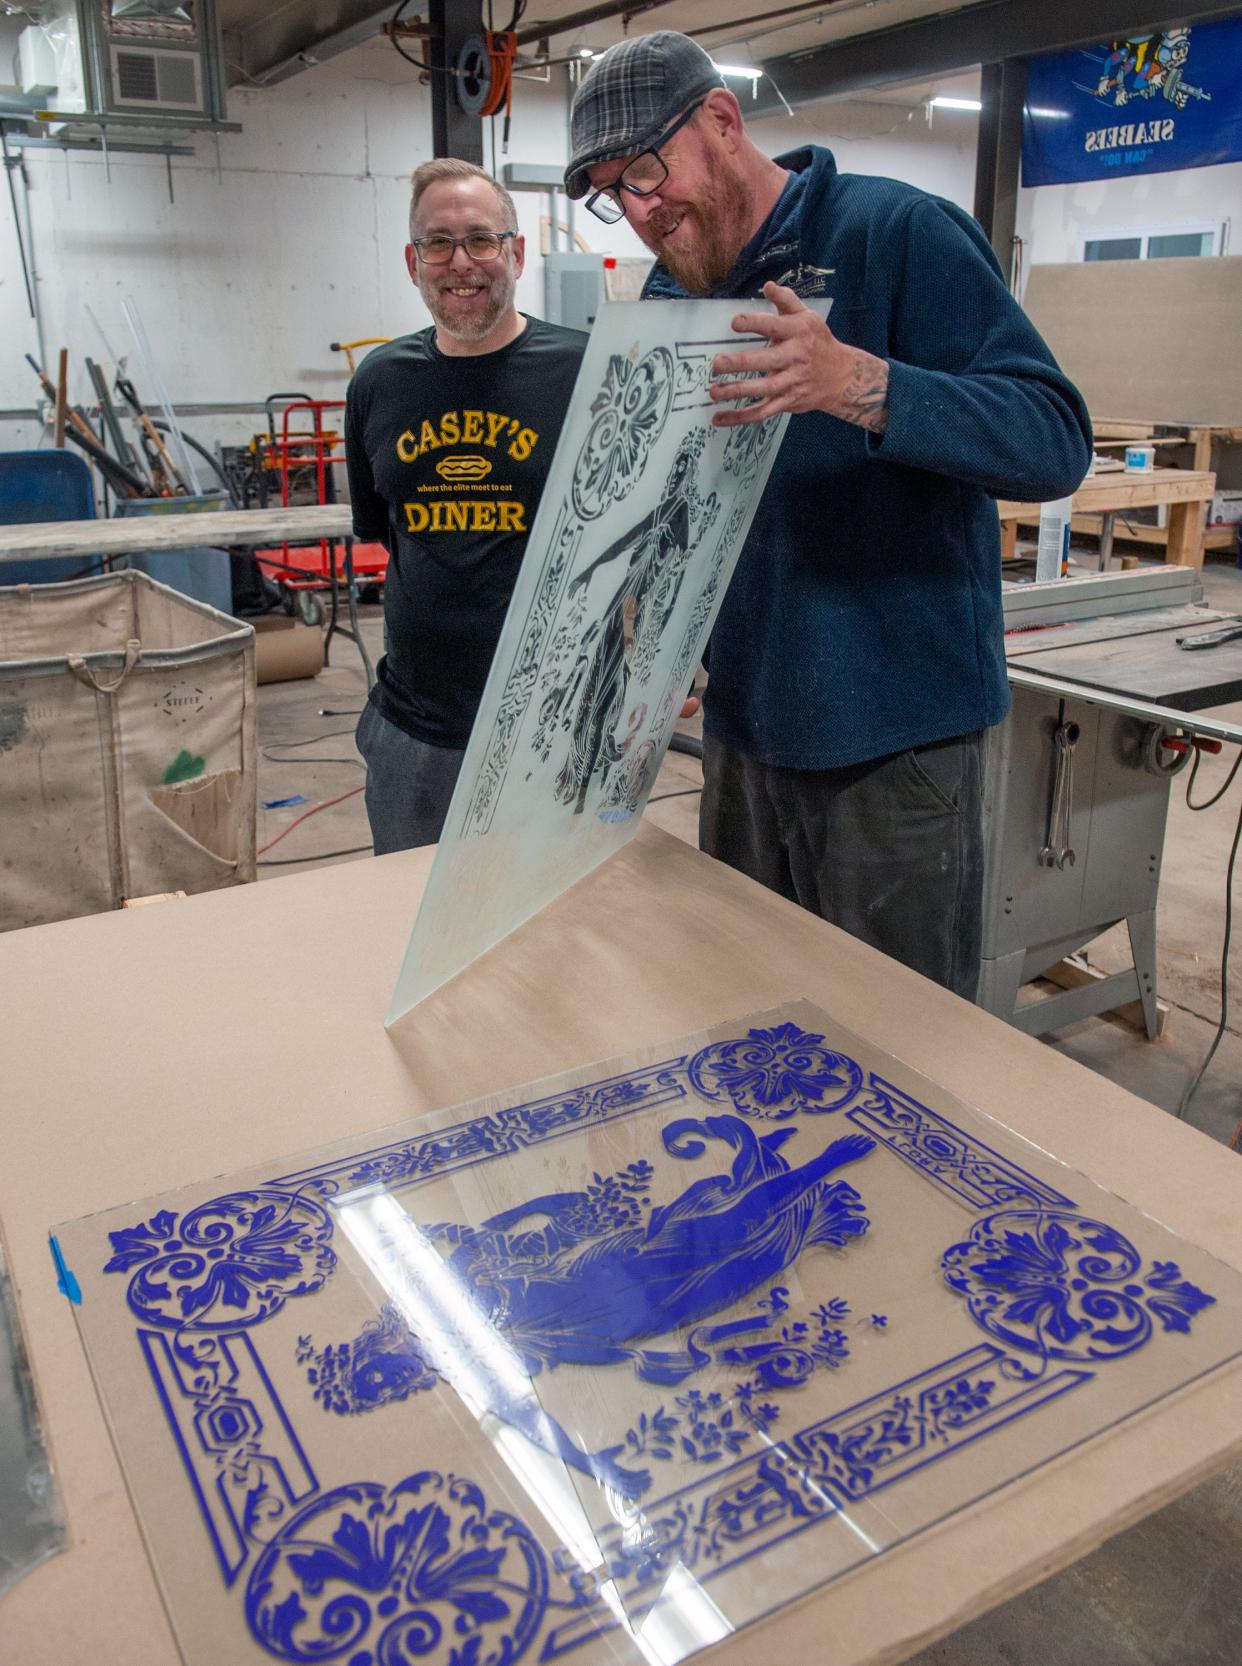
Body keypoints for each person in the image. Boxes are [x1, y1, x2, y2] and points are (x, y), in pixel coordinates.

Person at [564, 32, 1092, 1000]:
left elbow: (1054, 439)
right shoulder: (671, 287)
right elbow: (682, 490)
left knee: (893, 1040)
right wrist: (662, 624)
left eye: (647, 169)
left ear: (723, 122)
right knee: (750, 1017)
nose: (639, 210)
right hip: (744, 735)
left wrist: (860, 382)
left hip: (895, 750)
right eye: (613, 190)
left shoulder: (899, 233)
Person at [344, 159, 587, 853]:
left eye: (481, 240)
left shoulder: (588, 372)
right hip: (417, 737)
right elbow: (390, 538)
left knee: (563, 942)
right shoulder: (380, 382)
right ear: (412, 260)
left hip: (555, 733)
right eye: (439, 243)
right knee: (417, 937)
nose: (461, 263)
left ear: (515, 251)